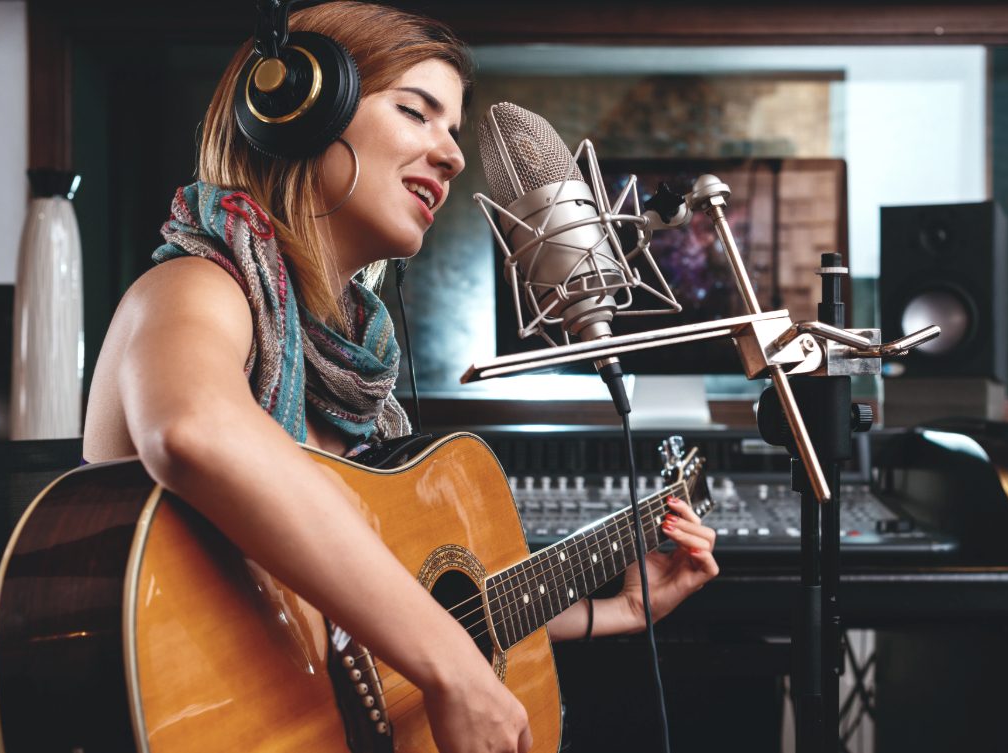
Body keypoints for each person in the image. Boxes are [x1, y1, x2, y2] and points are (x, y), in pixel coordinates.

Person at [81, 3, 719, 752]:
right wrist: (451, 668)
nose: (452, 156)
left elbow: (394, 616)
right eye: (417, 112)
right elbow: (193, 431)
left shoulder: (360, 373)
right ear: (300, 112)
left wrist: (619, 612)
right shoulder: (195, 287)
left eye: (453, 129)